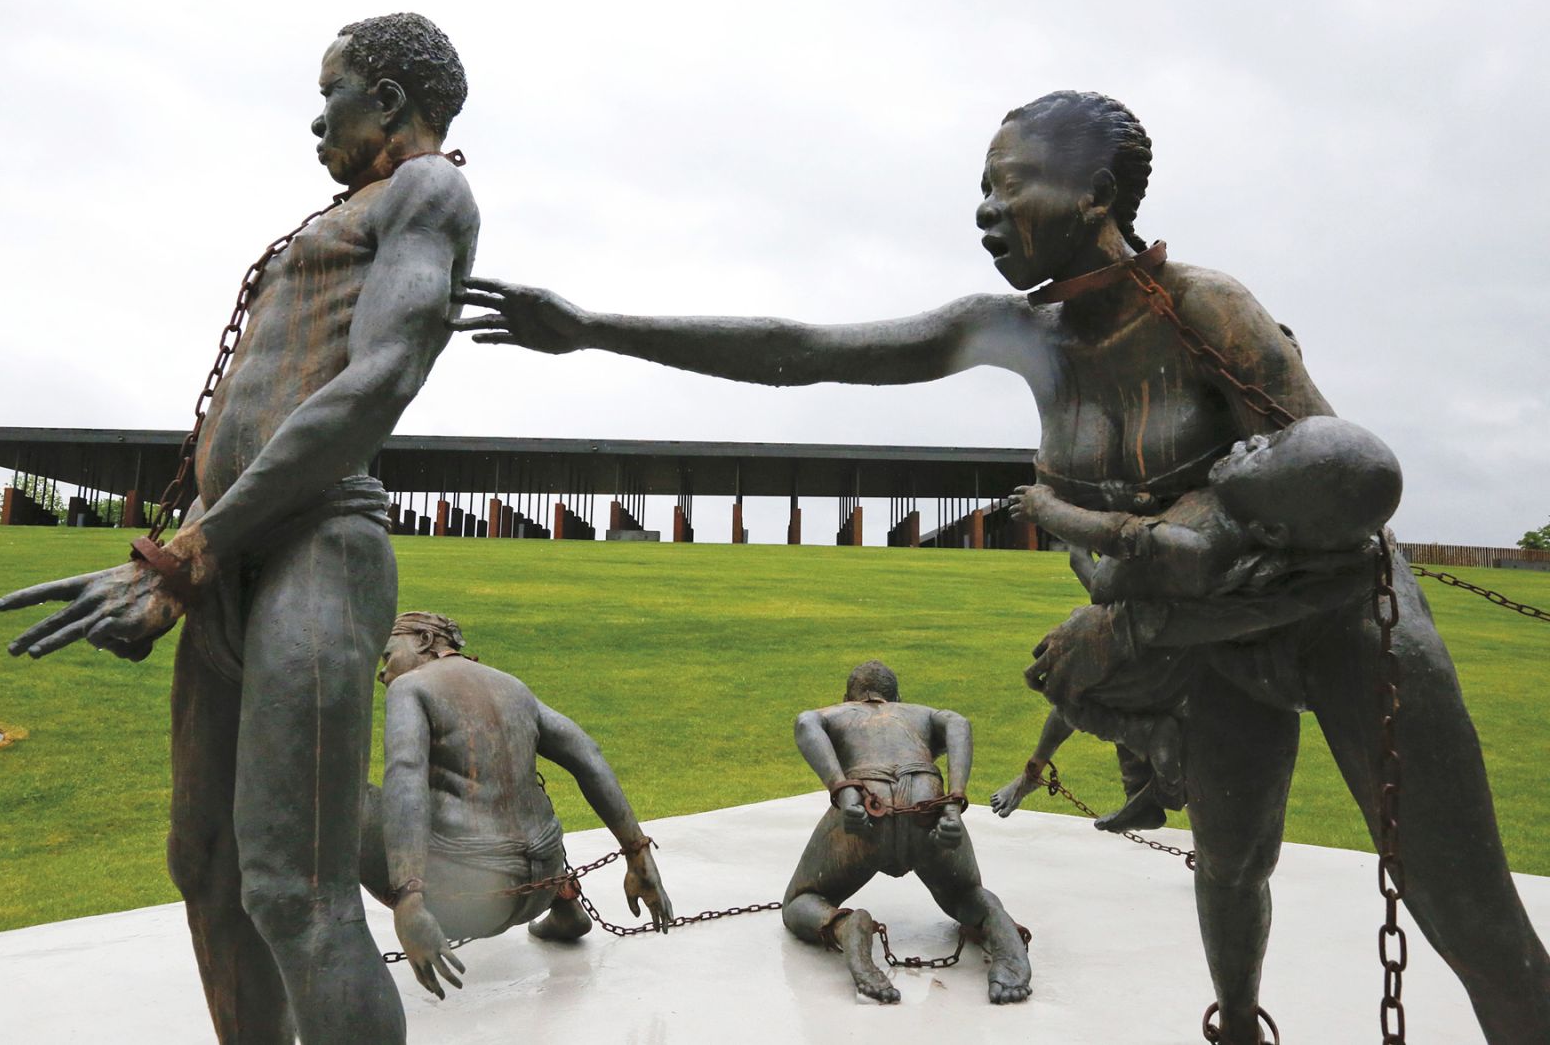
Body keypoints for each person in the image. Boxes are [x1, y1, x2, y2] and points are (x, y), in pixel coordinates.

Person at [452, 90, 1549, 1043]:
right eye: (979, 190)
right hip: (1207, 640)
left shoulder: (1206, 309)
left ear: (1096, 197)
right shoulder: (1018, 331)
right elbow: (805, 350)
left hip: (1340, 621)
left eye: (1008, 186)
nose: (984, 211)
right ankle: (1238, 1023)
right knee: (1228, 866)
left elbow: (1336, 506)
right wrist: (595, 328)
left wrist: (1127, 623)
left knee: (1467, 913)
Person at [0, 13, 479, 1045]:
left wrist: (190, 554)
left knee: (296, 888)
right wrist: (181, 558)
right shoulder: (343, 214)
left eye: (331, 91)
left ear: (387, 99)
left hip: (316, 547)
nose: (317, 118)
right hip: (227, 554)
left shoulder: (429, 191)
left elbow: (378, 380)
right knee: (206, 863)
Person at [991, 415, 1402, 832]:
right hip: (1136, 619)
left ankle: (1143, 738)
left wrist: (1046, 509)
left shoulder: (1205, 545)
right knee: (1084, 684)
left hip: (1141, 631)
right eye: (1268, 441)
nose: (1251, 442)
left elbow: (1121, 537)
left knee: (1058, 686)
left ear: (1272, 529)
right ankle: (1138, 783)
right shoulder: (1234, 507)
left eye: (1266, 455)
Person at [359, 611, 674, 999]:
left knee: (344, 801)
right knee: (517, 794)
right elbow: (587, 755)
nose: (383, 673)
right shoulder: (511, 686)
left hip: (466, 900)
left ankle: (338, 941)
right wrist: (638, 854)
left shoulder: (410, 687)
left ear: (424, 641)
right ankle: (565, 904)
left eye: (388, 655)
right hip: (538, 886)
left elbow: (405, 775)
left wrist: (408, 899)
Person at [782, 661, 1031, 1005]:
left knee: (799, 902)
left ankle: (842, 926)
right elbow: (958, 723)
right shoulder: (920, 713)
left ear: (847, 697)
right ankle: (999, 929)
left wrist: (843, 789)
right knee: (966, 894)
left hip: (866, 802)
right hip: (927, 799)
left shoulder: (838, 713)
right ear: (898, 698)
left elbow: (805, 722)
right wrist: (953, 801)